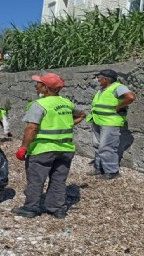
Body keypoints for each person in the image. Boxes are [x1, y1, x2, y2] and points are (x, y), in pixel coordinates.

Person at [11, 73, 85, 219]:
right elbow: (81, 114)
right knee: (58, 179)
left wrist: (23, 148)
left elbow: (31, 128)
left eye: (39, 83)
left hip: (43, 149)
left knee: (36, 179)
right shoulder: (67, 103)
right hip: (65, 149)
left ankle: (30, 208)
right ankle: (57, 209)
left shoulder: (39, 105)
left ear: (45, 88)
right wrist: (69, 124)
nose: (36, 86)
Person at [86, 69, 136, 179]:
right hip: (98, 120)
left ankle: (112, 171)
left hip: (110, 122)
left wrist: (119, 106)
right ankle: (99, 168)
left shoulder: (118, 87)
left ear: (106, 79)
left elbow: (131, 97)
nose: (98, 80)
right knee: (98, 145)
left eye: (99, 78)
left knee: (106, 146)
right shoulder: (103, 89)